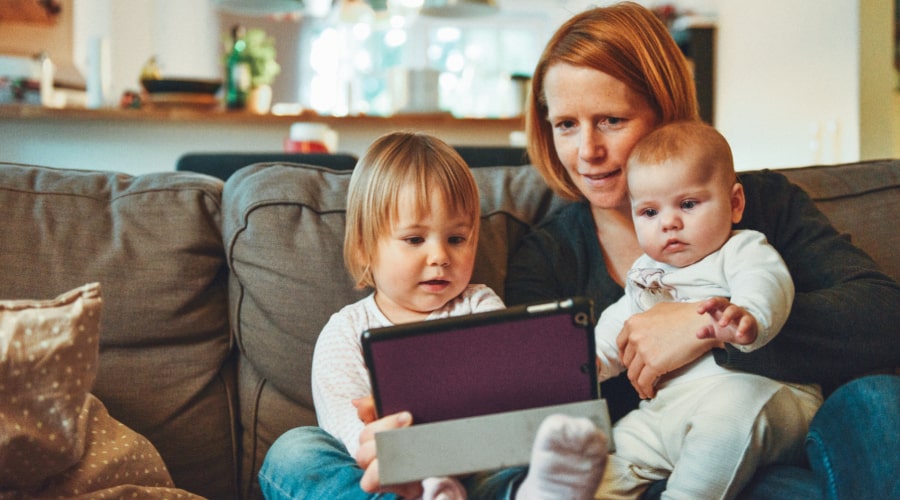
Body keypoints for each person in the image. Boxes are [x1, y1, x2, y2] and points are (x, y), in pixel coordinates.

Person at [499, 1, 900, 498]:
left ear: (663, 113)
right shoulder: (547, 255)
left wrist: (706, 327)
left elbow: (885, 317)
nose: (587, 151)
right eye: (566, 125)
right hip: (650, 466)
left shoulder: (761, 205)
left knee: (879, 398)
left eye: (611, 120)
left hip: (784, 439)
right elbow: (536, 401)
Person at [258, 131, 609, 500]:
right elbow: (348, 433)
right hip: (386, 476)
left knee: (524, 452)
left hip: (472, 466)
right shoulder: (344, 331)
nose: (440, 256)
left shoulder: (479, 307)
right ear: (363, 248)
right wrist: (396, 450)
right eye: (414, 240)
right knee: (294, 450)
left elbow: (503, 399)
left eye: (456, 239)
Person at [590, 120, 822, 499]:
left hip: (760, 397)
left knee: (726, 419)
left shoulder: (741, 249)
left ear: (734, 204)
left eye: (688, 204)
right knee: (597, 464)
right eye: (649, 213)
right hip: (668, 412)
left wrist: (748, 316)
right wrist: (591, 361)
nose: (669, 223)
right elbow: (621, 324)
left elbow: (766, 282)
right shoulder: (645, 274)